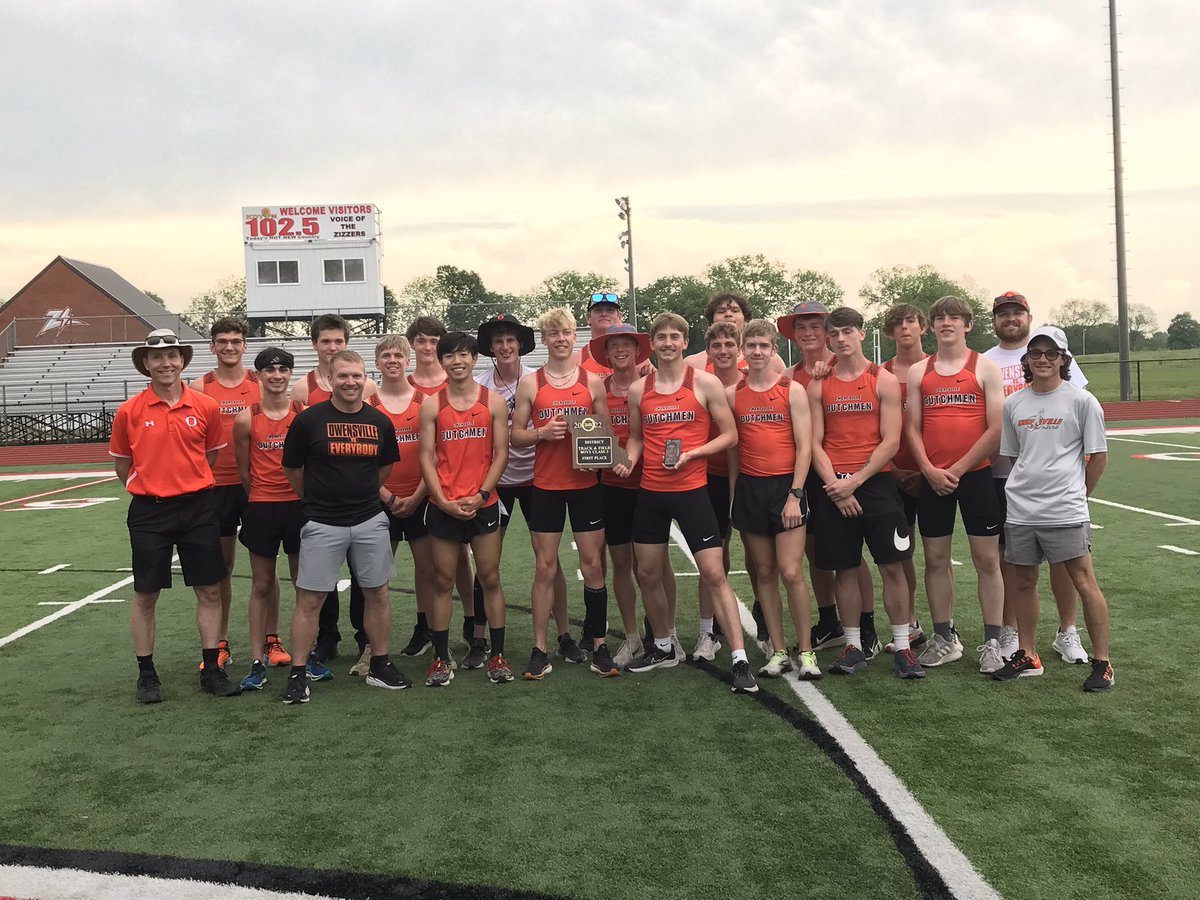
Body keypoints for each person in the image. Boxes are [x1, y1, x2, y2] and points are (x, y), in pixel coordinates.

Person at [622, 312, 758, 693]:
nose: (667, 343)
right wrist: (629, 459)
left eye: (674, 337)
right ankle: (664, 646)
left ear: (685, 342)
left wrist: (694, 453)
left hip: (692, 491)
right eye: (661, 337)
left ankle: (739, 658)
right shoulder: (639, 389)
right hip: (651, 492)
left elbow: (730, 435)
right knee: (647, 572)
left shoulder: (705, 382)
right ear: (653, 343)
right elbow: (635, 437)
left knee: (714, 573)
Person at [109, 328, 240, 702]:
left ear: (182, 361)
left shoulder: (205, 406)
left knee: (210, 589)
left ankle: (212, 669)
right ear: (146, 364)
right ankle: (147, 675)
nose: (165, 363)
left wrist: (185, 482)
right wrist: (153, 486)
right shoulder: (129, 411)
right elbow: (123, 463)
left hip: (198, 506)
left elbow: (209, 456)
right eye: (157, 357)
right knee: (146, 594)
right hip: (150, 511)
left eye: (172, 356)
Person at [280, 350, 407, 704]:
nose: (350, 382)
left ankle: (379, 663)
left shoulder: (380, 421)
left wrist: (362, 495)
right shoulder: (309, 421)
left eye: (356, 376)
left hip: (369, 519)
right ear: (330, 379)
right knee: (311, 598)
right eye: (343, 376)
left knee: (377, 593)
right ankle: (298, 672)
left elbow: (384, 469)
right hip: (322, 522)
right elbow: (292, 469)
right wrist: (315, 500)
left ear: (366, 379)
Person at [992, 327, 1114, 691]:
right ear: (1026, 360)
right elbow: (1014, 456)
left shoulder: (1081, 401)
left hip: (1065, 510)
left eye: (1050, 353)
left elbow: (1098, 457)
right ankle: (1028, 655)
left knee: (1083, 581)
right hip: (1022, 511)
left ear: (1063, 359)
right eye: (1035, 353)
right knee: (1024, 581)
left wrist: (1078, 494)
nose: (1042, 359)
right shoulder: (1015, 403)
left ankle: (1103, 663)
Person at [808, 308, 924, 679]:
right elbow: (814, 442)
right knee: (845, 568)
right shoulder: (818, 383)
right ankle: (854, 645)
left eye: (847, 332)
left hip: (873, 484)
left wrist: (854, 482)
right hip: (834, 485)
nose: (841, 339)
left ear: (861, 334)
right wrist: (837, 488)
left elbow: (891, 441)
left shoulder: (883, 379)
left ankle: (904, 648)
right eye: (834, 334)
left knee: (892, 567)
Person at [984, 291, 1091, 664]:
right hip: (1003, 474)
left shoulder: (1053, 351)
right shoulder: (985, 361)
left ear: (1028, 317)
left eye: (1017, 312)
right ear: (994, 320)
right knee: (1010, 560)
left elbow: (1078, 407)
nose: (1010, 318)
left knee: (1066, 559)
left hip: (1057, 481)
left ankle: (1068, 631)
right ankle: (1012, 631)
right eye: (1003, 314)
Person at [511, 307, 617, 680]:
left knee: (593, 566)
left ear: (576, 337)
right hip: (546, 487)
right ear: (544, 340)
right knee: (545, 567)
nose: (560, 339)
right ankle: (540, 649)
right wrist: (541, 434)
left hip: (586, 486)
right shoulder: (531, 383)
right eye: (553, 333)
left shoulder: (592, 382)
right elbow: (515, 435)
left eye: (566, 332)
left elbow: (605, 431)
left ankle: (600, 645)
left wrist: (599, 456)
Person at [906, 295, 1005, 673]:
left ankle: (993, 642)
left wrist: (958, 469)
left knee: (986, 559)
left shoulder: (985, 368)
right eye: (940, 318)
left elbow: (995, 428)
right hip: (933, 478)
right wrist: (930, 470)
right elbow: (912, 429)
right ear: (931, 326)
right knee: (934, 559)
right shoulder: (920, 371)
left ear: (968, 324)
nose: (946, 323)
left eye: (954, 317)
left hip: (975, 476)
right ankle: (945, 637)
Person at [473, 314, 574, 667]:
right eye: (498, 341)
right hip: (496, 479)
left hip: (537, 477)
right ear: (490, 347)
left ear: (520, 343)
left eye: (510, 340)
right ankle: (478, 637)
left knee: (549, 561)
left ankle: (563, 634)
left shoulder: (537, 378)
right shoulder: (481, 383)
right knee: (486, 563)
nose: (504, 346)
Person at [777, 302, 878, 655]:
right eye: (800, 327)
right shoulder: (789, 375)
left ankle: (866, 623)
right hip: (803, 473)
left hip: (843, 474)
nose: (807, 333)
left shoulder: (839, 367)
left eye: (815, 326)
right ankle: (829, 620)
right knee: (815, 550)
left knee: (852, 554)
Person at [418, 332, 513, 686]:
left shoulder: (494, 402)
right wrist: (442, 499)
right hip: (443, 505)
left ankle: (497, 655)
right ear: (441, 361)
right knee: (442, 582)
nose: (457, 362)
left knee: (489, 577)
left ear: (474, 359)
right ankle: (441, 659)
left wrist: (482, 492)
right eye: (450, 356)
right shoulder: (431, 405)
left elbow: (501, 453)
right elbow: (425, 456)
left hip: (483, 503)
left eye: (463, 355)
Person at [730, 319, 821, 679]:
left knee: (790, 571)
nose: (756, 352)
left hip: (786, 489)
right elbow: (734, 451)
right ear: (743, 349)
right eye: (750, 345)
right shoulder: (732, 392)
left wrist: (795, 495)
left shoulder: (791, 389)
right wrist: (736, 495)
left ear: (773, 350)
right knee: (764, 572)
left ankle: (807, 652)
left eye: (763, 346)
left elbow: (804, 448)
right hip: (751, 490)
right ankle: (779, 650)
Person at [291, 314, 376, 668]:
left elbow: (375, 444)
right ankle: (327, 636)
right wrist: (309, 492)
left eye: (338, 341)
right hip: (321, 500)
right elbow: (294, 455)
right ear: (315, 344)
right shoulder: (301, 388)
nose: (332, 347)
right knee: (320, 576)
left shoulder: (366, 388)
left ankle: (363, 635)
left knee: (362, 575)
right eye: (325, 341)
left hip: (360, 499)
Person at [348, 334, 433, 678]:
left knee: (427, 570)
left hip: (421, 497)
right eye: (386, 355)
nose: (393, 360)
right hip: (380, 501)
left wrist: (416, 497)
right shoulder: (366, 405)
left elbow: (435, 456)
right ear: (377, 362)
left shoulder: (426, 401)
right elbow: (361, 462)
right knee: (373, 577)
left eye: (399, 354)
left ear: (408, 360)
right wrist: (387, 495)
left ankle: (426, 631)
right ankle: (371, 647)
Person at [586, 323, 670, 670]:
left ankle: (666, 632)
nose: (620, 350)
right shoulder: (597, 389)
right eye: (613, 345)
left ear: (639, 350)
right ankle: (633, 638)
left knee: (657, 564)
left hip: (651, 484)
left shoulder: (653, 383)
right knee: (621, 563)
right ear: (605, 354)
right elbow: (591, 436)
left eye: (627, 344)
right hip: (613, 487)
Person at [400, 315, 478, 654]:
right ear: (412, 344)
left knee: (461, 557)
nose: (428, 347)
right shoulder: (405, 385)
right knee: (425, 563)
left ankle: (472, 621)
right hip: (419, 488)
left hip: (450, 489)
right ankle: (425, 624)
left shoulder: (460, 379)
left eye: (434, 341)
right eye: (421, 340)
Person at [191, 317, 263, 671]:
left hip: (256, 486)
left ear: (245, 346)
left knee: (263, 570)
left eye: (236, 341)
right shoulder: (200, 386)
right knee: (222, 568)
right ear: (212, 347)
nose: (230, 347)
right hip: (215, 487)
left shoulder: (260, 383)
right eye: (223, 341)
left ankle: (270, 639)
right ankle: (219, 643)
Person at [232, 347, 303, 690]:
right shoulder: (247, 417)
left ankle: (306, 656)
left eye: (283, 369)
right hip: (262, 506)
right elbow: (244, 471)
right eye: (269, 370)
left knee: (304, 584)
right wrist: (261, 495)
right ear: (258, 376)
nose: (276, 375)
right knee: (261, 584)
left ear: (291, 374)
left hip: (299, 506)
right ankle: (258, 658)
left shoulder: (303, 414)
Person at [880, 304, 931, 652]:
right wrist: (895, 472)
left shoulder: (936, 369)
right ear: (889, 332)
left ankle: (946, 626)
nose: (904, 328)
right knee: (902, 552)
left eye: (910, 321)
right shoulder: (879, 374)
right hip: (891, 475)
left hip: (933, 473)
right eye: (896, 324)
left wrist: (928, 468)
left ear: (922, 326)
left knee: (938, 554)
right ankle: (910, 622)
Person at [695, 321, 747, 661]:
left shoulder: (752, 376)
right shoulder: (697, 376)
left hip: (752, 475)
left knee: (760, 559)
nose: (724, 351)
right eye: (717, 346)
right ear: (708, 350)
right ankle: (707, 631)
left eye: (730, 344)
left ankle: (767, 627)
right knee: (714, 556)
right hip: (707, 476)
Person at [685, 291, 785, 376]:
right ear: (712, 320)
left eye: (735, 310)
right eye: (721, 311)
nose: (728, 314)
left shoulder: (770, 359)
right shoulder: (693, 364)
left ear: (746, 319)